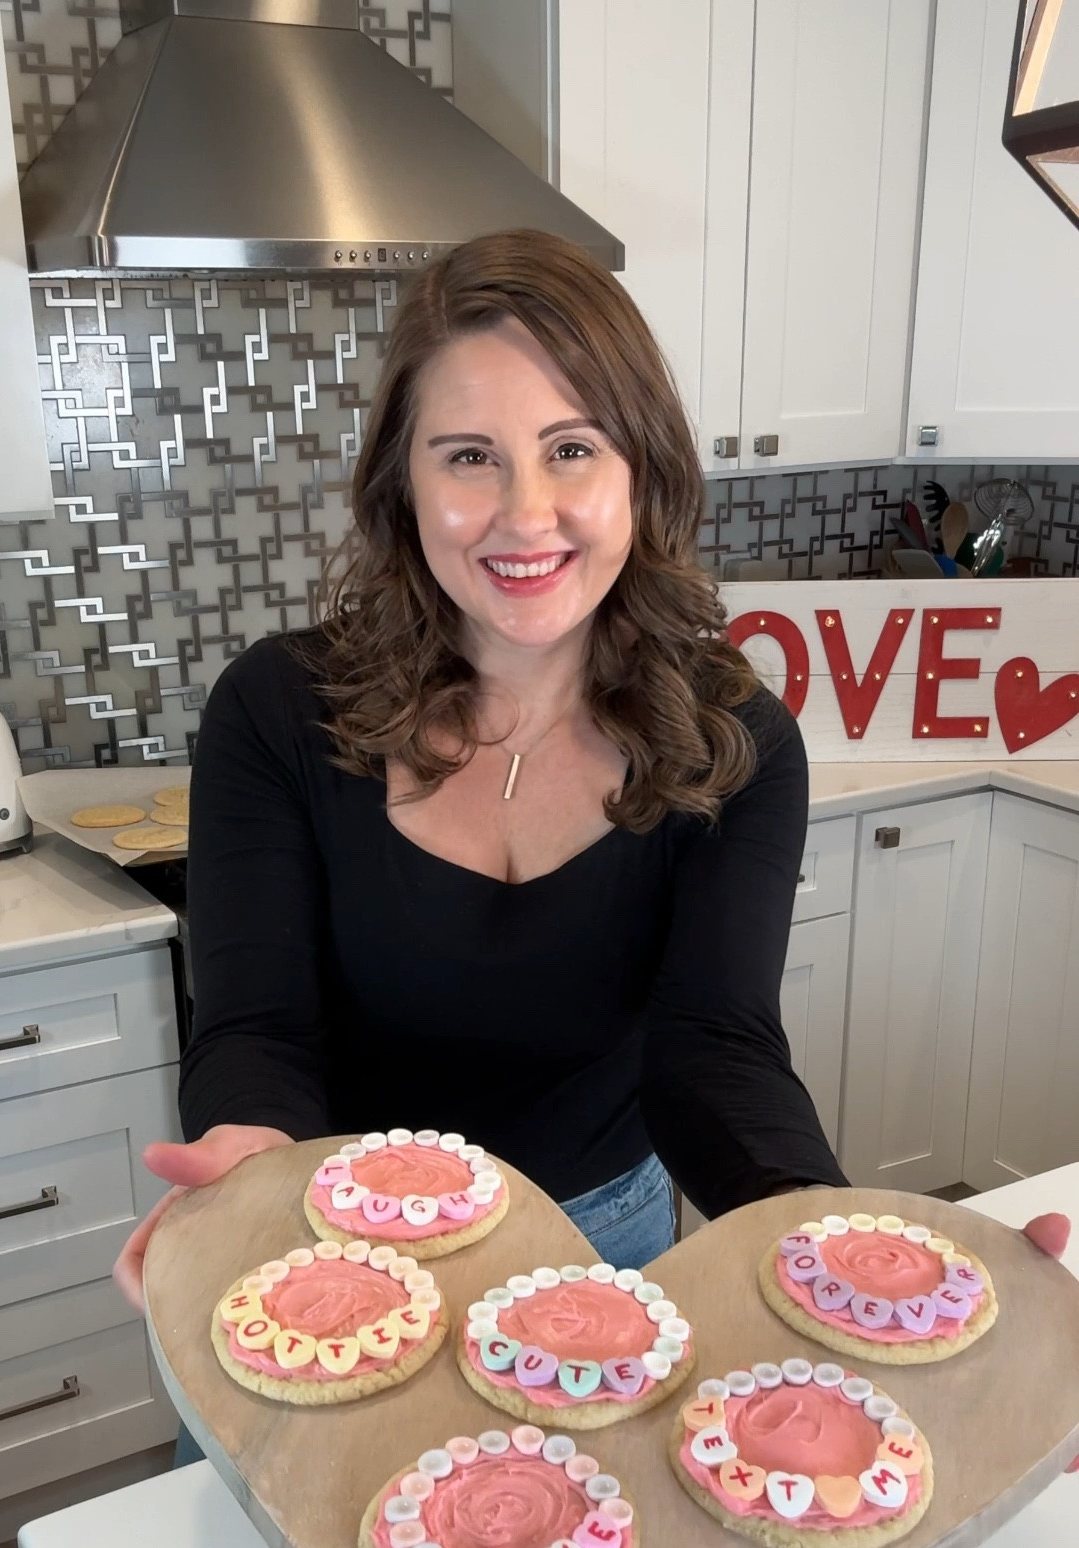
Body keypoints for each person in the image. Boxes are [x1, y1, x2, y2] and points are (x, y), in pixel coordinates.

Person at [113, 228, 1068, 1342]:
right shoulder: (278, 711)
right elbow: (260, 1032)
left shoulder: (732, 740)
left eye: (572, 449)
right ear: (401, 483)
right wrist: (241, 1155)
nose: (525, 514)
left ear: (641, 470)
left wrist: (826, 1247)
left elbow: (714, 1049)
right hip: (325, 1252)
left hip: (604, 1252)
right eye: (468, 456)